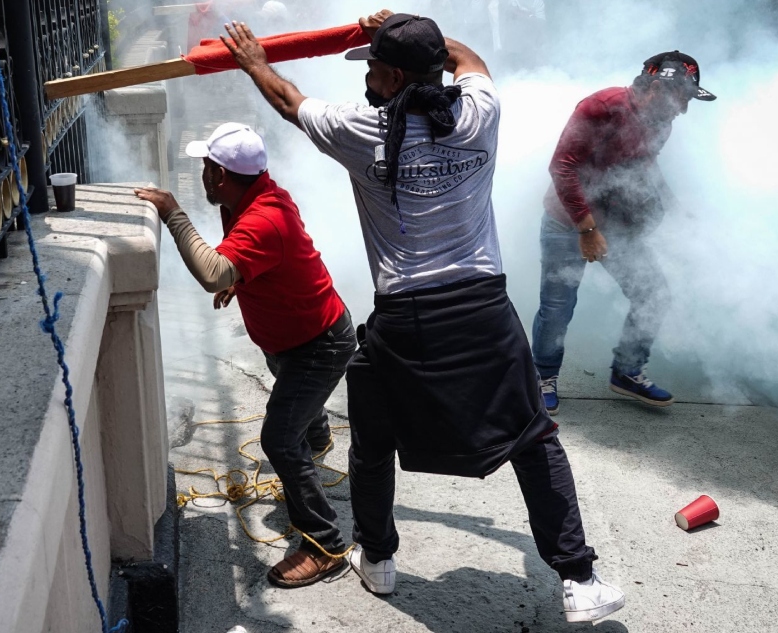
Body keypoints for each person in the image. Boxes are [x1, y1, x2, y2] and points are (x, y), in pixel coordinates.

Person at [219, 10, 625, 622]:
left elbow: (288, 100)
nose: (368, 75)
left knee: (374, 440)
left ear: (394, 75)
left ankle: (378, 560)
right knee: (534, 438)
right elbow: (473, 64)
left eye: (375, 66)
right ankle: (580, 580)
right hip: (483, 308)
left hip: (406, 315)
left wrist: (254, 63)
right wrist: (413, 33)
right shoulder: (478, 113)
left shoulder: (360, 130)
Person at [133, 123, 356, 588]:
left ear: (218, 175)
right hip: (295, 341)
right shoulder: (255, 196)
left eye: (205, 168)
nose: (201, 176)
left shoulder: (262, 217)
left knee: (278, 438)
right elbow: (255, 261)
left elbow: (213, 272)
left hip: (319, 344)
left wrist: (174, 213)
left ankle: (325, 544)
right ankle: (314, 443)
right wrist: (244, 276)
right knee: (293, 401)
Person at [532, 51, 716, 415]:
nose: (683, 109)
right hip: (567, 220)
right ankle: (542, 378)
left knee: (653, 294)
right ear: (657, 88)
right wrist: (587, 229)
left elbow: (644, 163)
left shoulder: (662, 121)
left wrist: (674, 207)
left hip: (614, 222)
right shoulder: (600, 107)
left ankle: (627, 371)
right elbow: (562, 168)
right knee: (558, 307)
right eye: (681, 97)